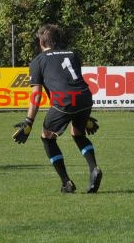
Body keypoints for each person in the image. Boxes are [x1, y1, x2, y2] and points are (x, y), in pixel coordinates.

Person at [12, 24, 102, 194]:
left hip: (65, 100)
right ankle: (94, 168)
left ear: (41, 41)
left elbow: (36, 95)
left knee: (47, 138)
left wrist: (28, 121)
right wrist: (85, 117)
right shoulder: (73, 54)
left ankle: (66, 183)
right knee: (78, 133)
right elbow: (72, 82)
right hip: (85, 97)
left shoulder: (38, 61)